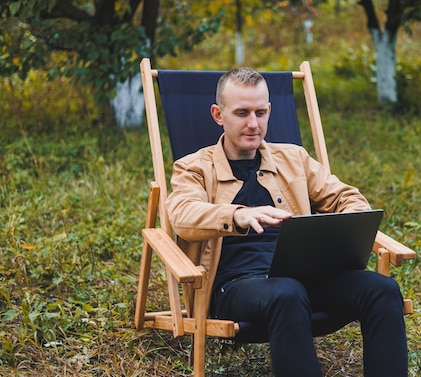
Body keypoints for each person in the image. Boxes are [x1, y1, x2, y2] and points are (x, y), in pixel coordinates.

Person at [166, 67, 408, 377]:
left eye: (260, 112)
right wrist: (237, 214)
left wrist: (346, 224)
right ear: (218, 114)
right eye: (242, 113)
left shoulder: (294, 159)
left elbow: (347, 198)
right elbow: (183, 214)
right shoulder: (194, 168)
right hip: (235, 287)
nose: (253, 123)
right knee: (287, 292)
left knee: (382, 289)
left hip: (301, 278)